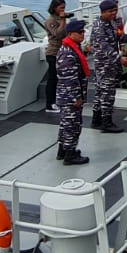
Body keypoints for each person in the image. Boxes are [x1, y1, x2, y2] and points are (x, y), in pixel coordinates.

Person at [89, 0, 127, 133]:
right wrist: (120, 59)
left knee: (100, 92)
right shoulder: (99, 27)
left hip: (110, 64)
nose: (114, 13)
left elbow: (118, 36)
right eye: (111, 11)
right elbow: (105, 47)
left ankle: (96, 120)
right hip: (105, 65)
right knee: (107, 94)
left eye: (115, 10)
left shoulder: (110, 23)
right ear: (103, 12)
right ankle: (107, 122)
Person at [55, 19, 91, 164]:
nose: (83, 34)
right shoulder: (67, 53)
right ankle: (70, 155)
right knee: (72, 125)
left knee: (66, 124)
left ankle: (63, 150)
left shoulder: (73, 48)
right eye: (80, 32)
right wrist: (76, 97)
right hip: (69, 97)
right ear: (70, 34)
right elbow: (69, 77)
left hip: (67, 95)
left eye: (83, 31)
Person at [43, 0, 68, 113]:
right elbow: (57, 34)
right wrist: (63, 21)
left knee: (61, 78)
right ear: (54, 8)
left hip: (62, 51)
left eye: (64, 7)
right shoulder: (50, 21)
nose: (63, 10)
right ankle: (49, 104)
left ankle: (58, 100)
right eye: (61, 8)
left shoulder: (60, 19)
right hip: (53, 52)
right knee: (53, 79)